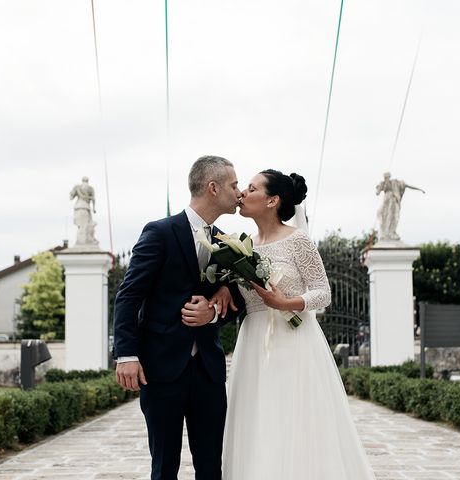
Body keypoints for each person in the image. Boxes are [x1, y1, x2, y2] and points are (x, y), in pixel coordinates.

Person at [223, 169, 376, 479]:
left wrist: (286, 303)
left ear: (272, 200)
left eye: (251, 189)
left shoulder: (297, 240)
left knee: (293, 417)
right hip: (253, 341)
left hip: (293, 341)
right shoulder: (243, 246)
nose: (242, 193)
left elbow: (323, 292)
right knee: (257, 418)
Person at [113, 155, 245, 480]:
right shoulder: (160, 232)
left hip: (208, 373)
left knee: (211, 467)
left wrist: (212, 312)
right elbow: (129, 296)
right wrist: (126, 355)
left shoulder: (227, 243)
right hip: (160, 370)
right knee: (164, 467)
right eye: (234, 184)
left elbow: (239, 302)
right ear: (213, 188)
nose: (239, 192)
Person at [375, 172, 425, 241]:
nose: (386, 178)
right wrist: (379, 187)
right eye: (385, 177)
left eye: (387, 176)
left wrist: (420, 189)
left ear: (389, 176)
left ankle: (391, 232)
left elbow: (408, 186)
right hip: (386, 202)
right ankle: (386, 233)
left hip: (394, 201)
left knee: (395, 217)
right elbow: (377, 193)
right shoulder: (383, 183)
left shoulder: (396, 182)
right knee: (385, 217)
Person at [69, 176, 98, 245]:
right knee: (85, 226)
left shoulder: (77, 187)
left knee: (81, 226)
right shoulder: (90, 188)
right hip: (86, 207)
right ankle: (83, 241)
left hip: (78, 207)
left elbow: (71, 197)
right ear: (88, 181)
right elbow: (93, 199)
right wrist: (94, 208)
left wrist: (72, 193)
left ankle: (82, 241)